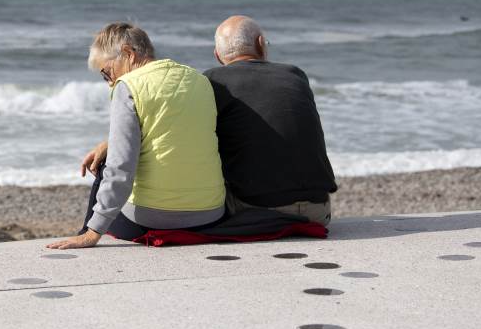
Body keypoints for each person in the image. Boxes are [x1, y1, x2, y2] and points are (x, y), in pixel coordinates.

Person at [47, 23, 226, 249]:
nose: (110, 82)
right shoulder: (199, 80)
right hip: (210, 214)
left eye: (107, 73)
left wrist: (93, 232)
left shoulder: (128, 86)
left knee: (104, 165)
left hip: (155, 219)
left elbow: (121, 167)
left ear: (128, 54)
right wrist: (110, 142)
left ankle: (86, 231)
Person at [204, 15, 336, 225]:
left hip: (255, 210)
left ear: (218, 56)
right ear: (261, 43)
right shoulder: (295, 74)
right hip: (318, 211)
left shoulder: (211, 81)